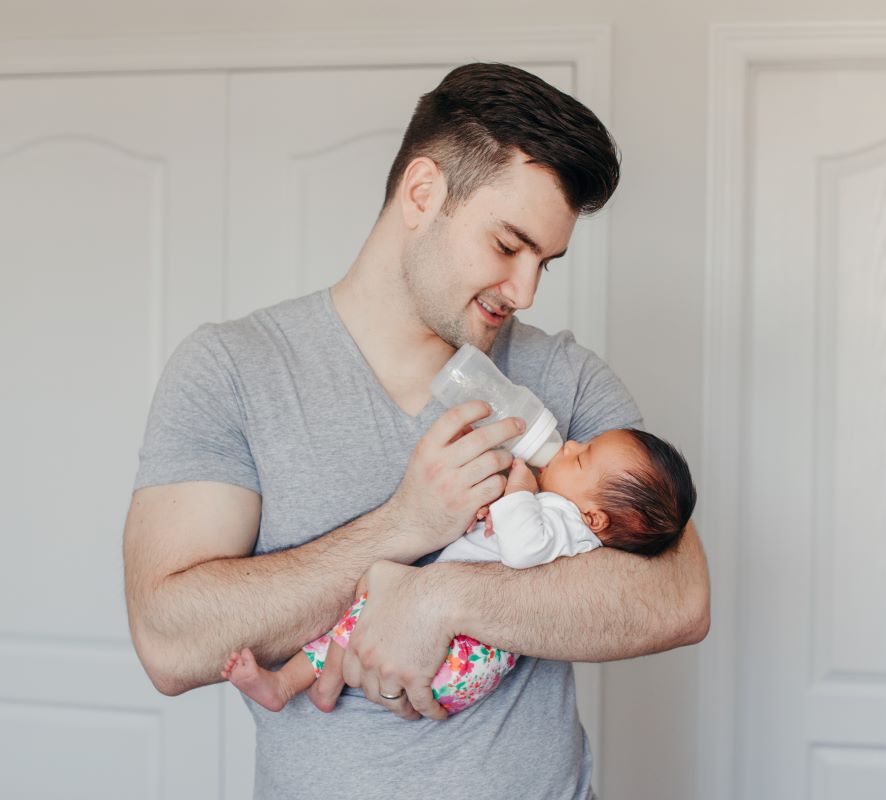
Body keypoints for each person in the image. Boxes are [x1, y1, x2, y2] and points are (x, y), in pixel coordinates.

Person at [122, 62, 710, 799]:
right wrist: (402, 525)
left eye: (544, 264)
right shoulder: (234, 370)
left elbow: (680, 597)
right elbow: (169, 643)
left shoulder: (564, 377)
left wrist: (440, 600)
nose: (524, 291)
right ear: (423, 193)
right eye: (507, 245)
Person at [221, 427, 697, 716]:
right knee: (371, 597)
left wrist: (519, 488)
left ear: (595, 518)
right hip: (461, 663)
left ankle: (286, 684)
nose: (570, 443)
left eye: (582, 457)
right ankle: (317, 684)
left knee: (366, 604)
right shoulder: (571, 523)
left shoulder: (567, 522)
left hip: (464, 658)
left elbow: (525, 547)